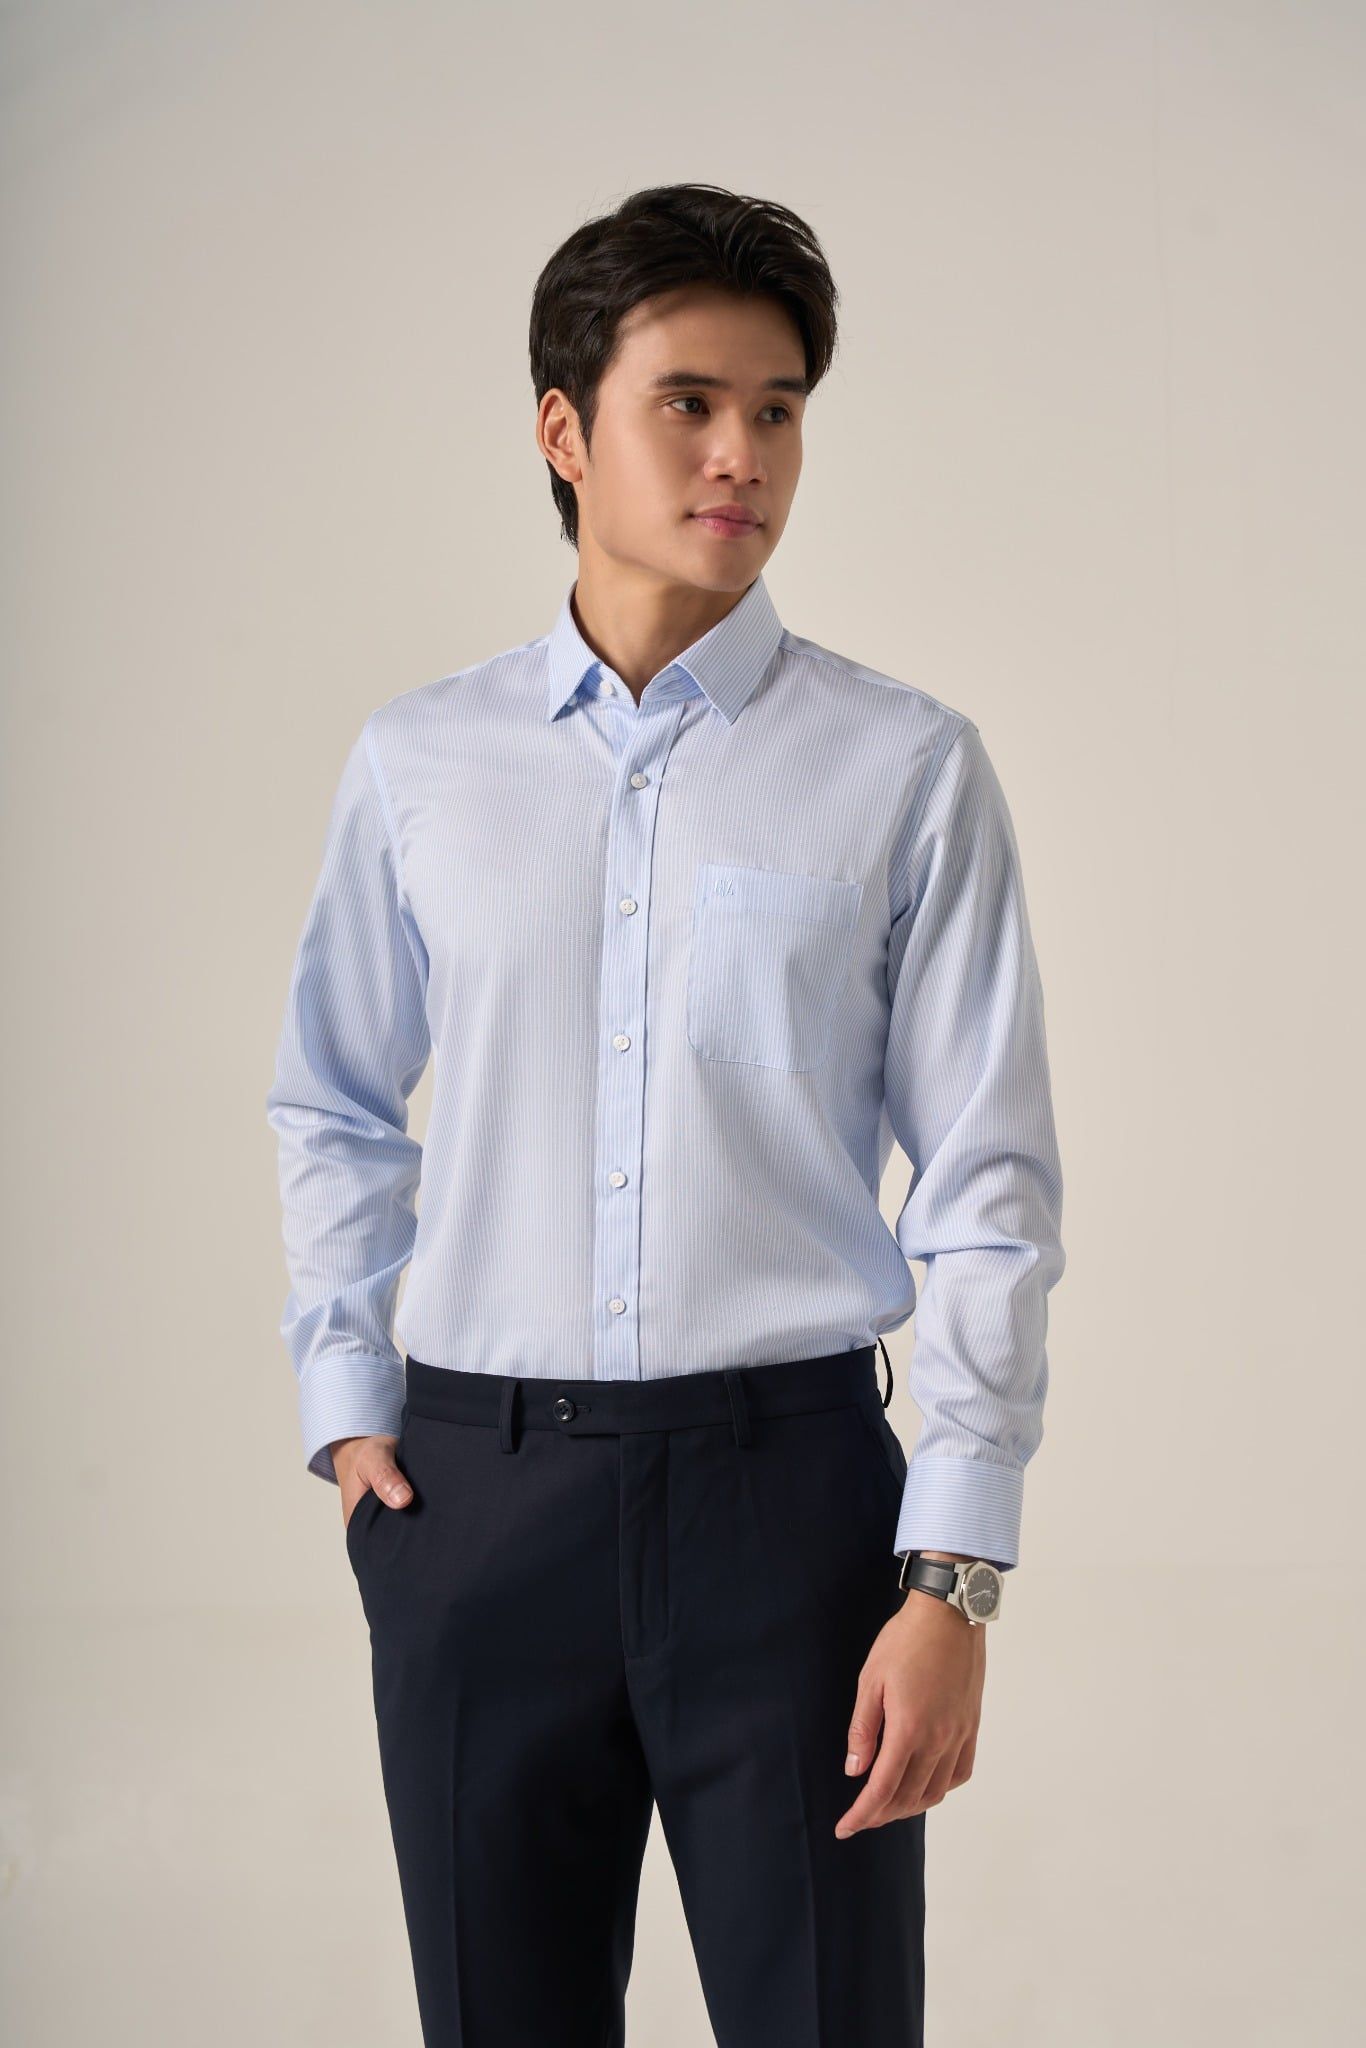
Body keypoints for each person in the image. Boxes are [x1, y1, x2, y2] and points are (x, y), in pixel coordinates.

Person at [266, 181, 1066, 2048]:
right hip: (474, 1505)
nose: (740, 455)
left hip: (791, 1513)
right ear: (564, 431)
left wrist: (953, 1573)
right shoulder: (421, 763)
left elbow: (986, 1184)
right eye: (688, 403)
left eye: (777, 409)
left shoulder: (902, 767)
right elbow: (334, 1097)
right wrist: (348, 1400)